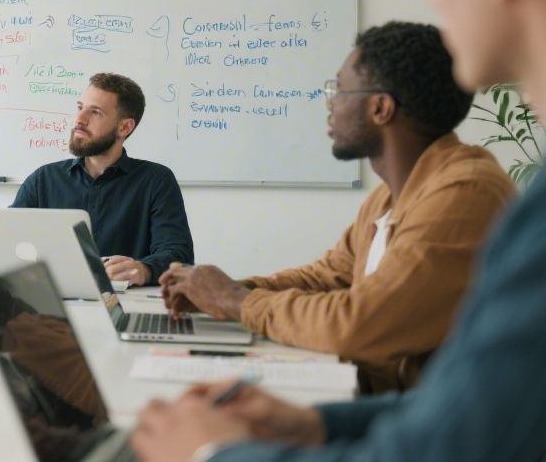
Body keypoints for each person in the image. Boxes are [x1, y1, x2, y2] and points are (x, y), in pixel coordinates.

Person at [130, 0, 546, 462]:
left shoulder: (472, 194)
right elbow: (448, 410)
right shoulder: (393, 197)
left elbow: (378, 344)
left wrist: (209, 451)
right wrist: (315, 421)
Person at [160, 22, 515, 394]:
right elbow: (328, 277)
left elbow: (358, 323)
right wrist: (224, 291)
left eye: (340, 89)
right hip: (381, 405)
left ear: (380, 108)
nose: (330, 102)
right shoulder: (390, 197)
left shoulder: (464, 194)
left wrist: (235, 300)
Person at [12, 73, 193, 286]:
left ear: (124, 127)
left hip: (128, 304)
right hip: (57, 303)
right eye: (80, 107)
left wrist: (144, 270)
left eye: (95, 112)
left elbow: (179, 256)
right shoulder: (43, 180)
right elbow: (10, 243)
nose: (79, 120)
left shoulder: (156, 180)